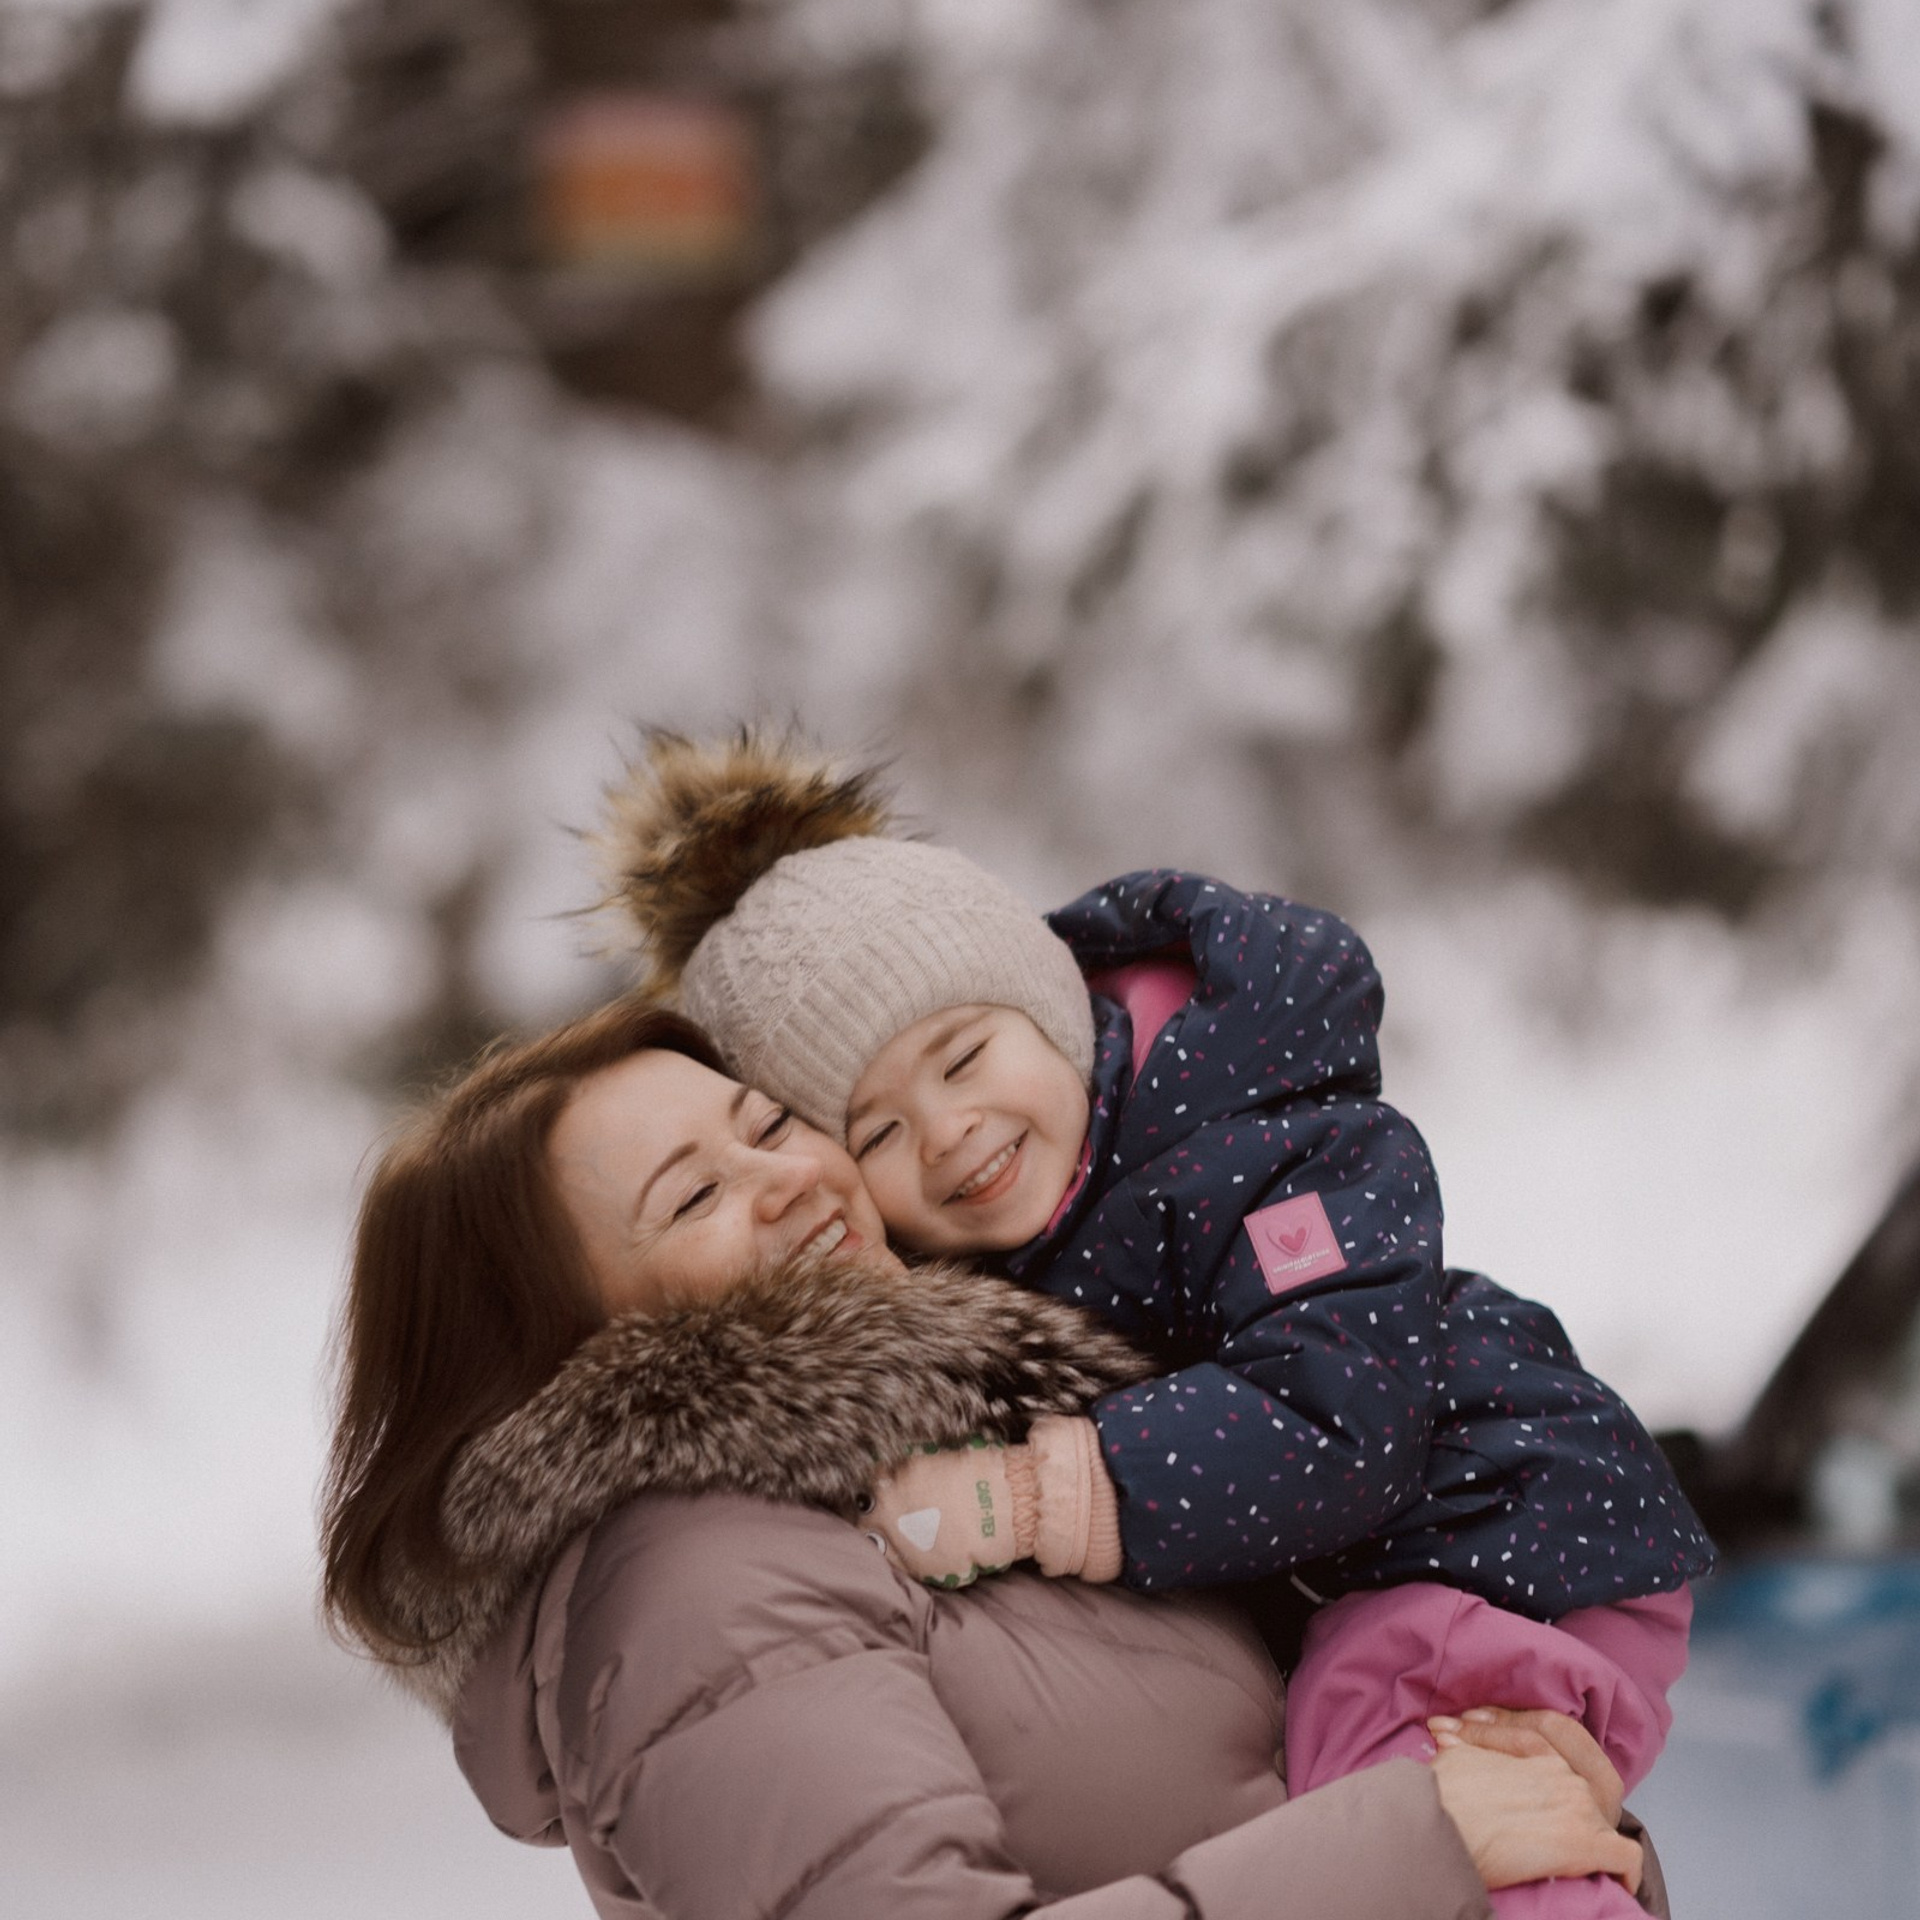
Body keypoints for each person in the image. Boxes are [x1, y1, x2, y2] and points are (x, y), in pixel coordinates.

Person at [591, 728, 1718, 1920]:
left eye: (963, 1057)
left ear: (1053, 1009)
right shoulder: (1035, 1240)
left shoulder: (1258, 1143)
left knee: (1437, 1808)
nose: (947, 1130)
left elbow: (1339, 1423)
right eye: (875, 1130)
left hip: (1499, 1524)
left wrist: (1030, 1499)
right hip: (1402, 1568)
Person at [321, 994, 1662, 1920]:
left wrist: (1548, 1825)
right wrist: (1425, 1844)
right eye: (694, 1196)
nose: (788, 1177)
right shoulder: (695, 1585)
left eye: (769, 1125)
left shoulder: (951, 1466)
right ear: (563, 1346)